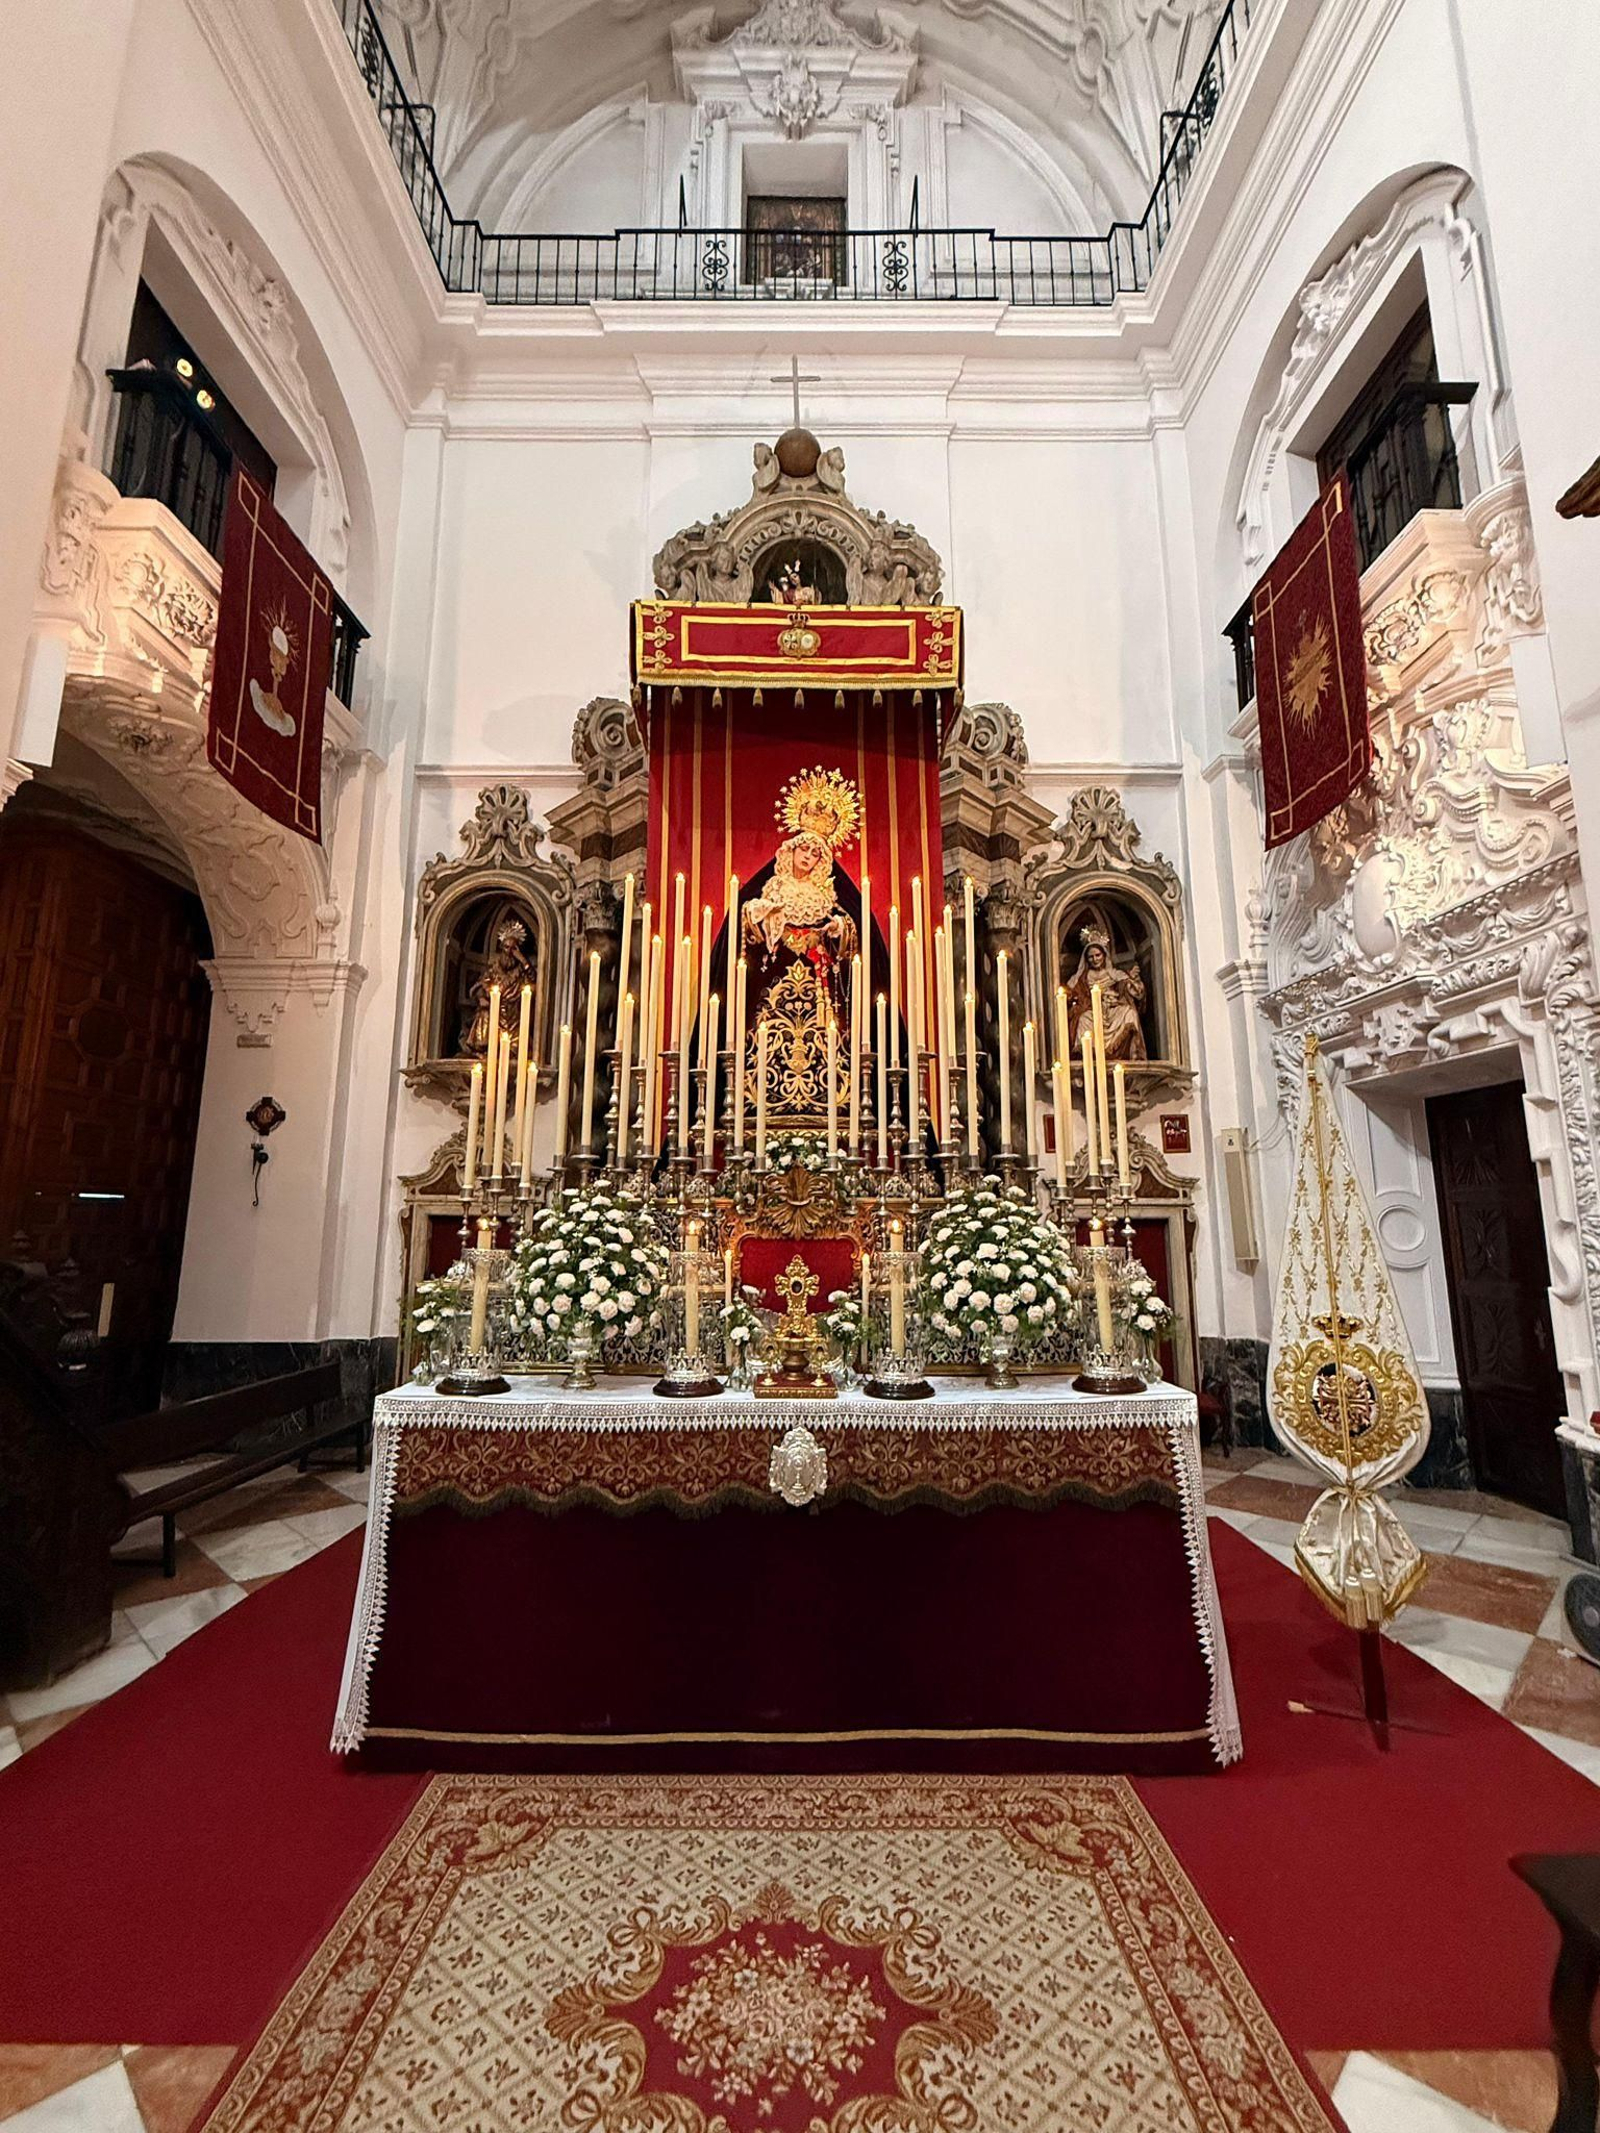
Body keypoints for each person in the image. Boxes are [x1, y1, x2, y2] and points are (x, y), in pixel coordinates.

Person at [1064, 922, 1147, 1061]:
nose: (1095, 959)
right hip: (1091, 1011)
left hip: (1112, 1009)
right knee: (1083, 1020)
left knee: (1129, 1013)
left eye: (1098, 955)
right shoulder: (1080, 979)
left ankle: (1132, 1054)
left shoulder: (1115, 974)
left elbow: (1135, 992)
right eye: (1091, 957)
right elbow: (1071, 996)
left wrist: (1131, 980)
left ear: (1104, 955)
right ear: (1086, 959)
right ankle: (1089, 1058)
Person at [463, 914, 535, 1056]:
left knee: (519, 1044)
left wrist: (523, 961)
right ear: (502, 948)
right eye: (506, 947)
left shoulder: (521, 971)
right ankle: (483, 1048)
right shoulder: (494, 970)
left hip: (515, 1015)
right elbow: (479, 985)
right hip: (494, 1012)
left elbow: (533, 982)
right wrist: (481, 998)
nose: (509, 952)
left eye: (513, 949)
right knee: (484, 1014)